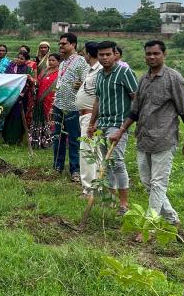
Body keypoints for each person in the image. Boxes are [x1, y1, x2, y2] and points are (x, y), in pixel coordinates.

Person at [110, 40, 184, 234]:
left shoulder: (174, 78)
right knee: (148, 183)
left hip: (164, 139)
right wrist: (121, 131)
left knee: (158, 183)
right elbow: (135, 111)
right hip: (143, 139)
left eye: (156, 53)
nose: (152, 57)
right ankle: (172, 219)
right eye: (148, 54)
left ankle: (149, 227)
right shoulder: (144, 79)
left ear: (164, 55)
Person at [88, 41, 139, 216]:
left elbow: (136, 98)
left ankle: (124, 204)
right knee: (106, 163)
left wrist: (129, 125)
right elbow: (98, 100)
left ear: (115, 54)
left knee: (116, 161)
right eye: (101, 55)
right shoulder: (100, 74)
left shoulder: (125, 72)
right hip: (102, 124)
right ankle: (110, 200)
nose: (104, 58)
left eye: (108, 54)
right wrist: (92, 123)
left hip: (119, 125)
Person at [52, 32, 89, 182]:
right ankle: (57, 166)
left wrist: (81, 85)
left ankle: (75, 170)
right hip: (59, 104)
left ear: (73, 45)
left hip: (73, 106)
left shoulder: (80, 62)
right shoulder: (62, 63)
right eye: (59, 44)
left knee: (74, 139)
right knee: (58, 137)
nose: (60, 46)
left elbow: (88, 82)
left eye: (63, 44)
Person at [75, 42, 103, 223]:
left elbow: (99, 97)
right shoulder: (92, 70)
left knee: (87, 153)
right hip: (86, 116)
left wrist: (94, 121)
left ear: (87, 53)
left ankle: (89, 190)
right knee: (95, 153)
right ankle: (97, 187)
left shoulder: (99, 71)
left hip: (91, 118)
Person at [28, 53, 60, 149]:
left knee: (50, 120)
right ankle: (39, 140)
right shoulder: (44, 71)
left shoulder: (60, 73)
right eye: (49, 60)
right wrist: (31, 79)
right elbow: (37, 82)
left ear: (58, 62)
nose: (50, 62)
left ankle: (52, 141)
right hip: (41, 100)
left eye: (53, 60)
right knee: (40, 119)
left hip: (52, 100)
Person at [2, 50, 32, 145]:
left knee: (18, 117)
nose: (19, 60)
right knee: (9, 116)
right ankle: (7, 138)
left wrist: (28, 80)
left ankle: (16, 139)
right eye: (18, 57)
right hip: (9, 96)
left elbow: (28, 83)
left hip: (21, 98)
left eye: (22, 59)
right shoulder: (11, 67)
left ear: (26, 60)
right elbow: (5, 79)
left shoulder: (28, 70)